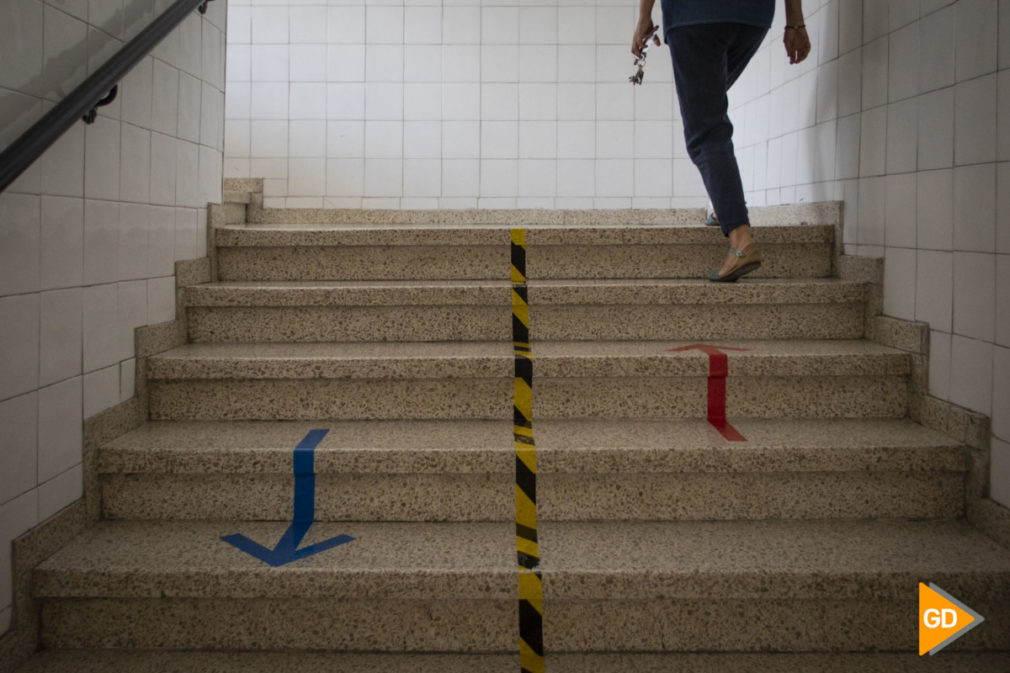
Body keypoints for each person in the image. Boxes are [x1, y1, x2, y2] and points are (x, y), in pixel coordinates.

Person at [632, 0, 811, 282]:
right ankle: (726, 202)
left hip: (695, 15)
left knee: (704, 127)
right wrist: (795, 22)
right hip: (752, 17)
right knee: (708, 103)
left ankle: (741, 239)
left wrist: (644, 15)